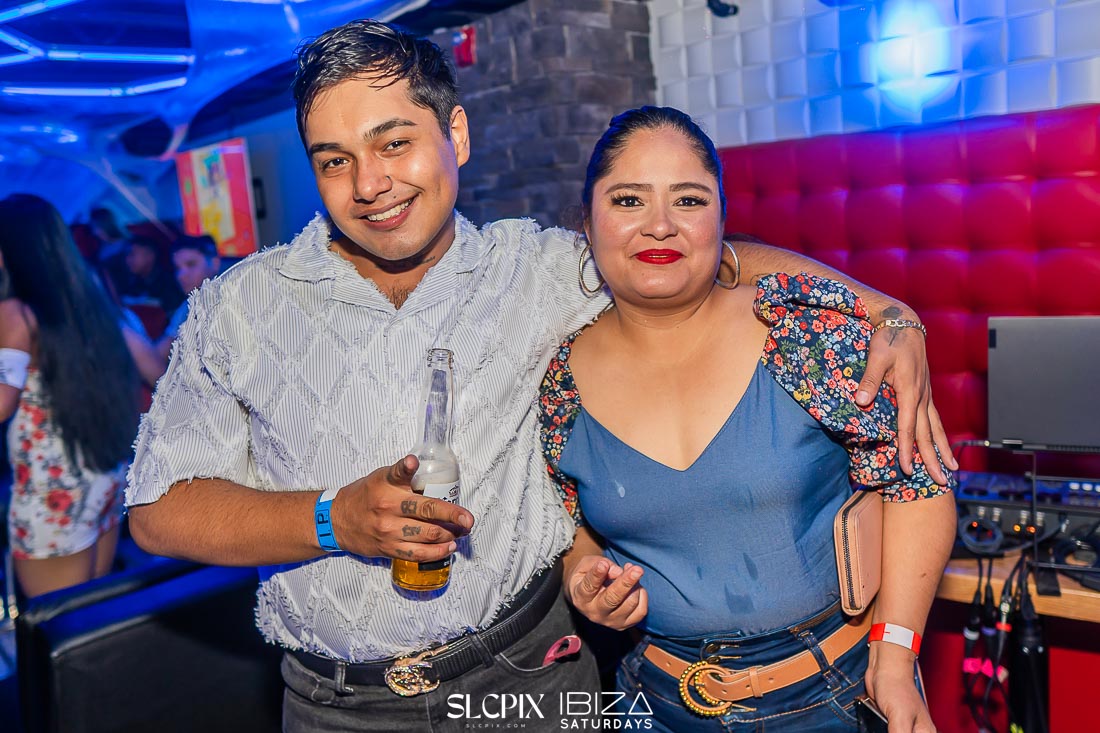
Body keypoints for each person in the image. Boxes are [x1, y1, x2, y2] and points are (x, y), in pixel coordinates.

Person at [125, 21, 954, 732]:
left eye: (394, 143)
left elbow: (690, 259)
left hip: (535, 679)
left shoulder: (536, 269)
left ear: (455, 135)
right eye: (335, 160)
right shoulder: (239, 307)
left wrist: (886, 310)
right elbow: (158, 511)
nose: (369, 184)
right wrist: (333, 518)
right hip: (341, 705)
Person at [539, 107, 957, 732]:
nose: (660, 224)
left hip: (833, 695)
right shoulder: (558, 385)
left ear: (720, 219)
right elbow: (570, 526)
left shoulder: (801, 333)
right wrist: (583, 578)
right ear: (587, 221)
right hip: (648, 701)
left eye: (689, 199)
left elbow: (918, 486)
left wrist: (895, 658)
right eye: (628, 200)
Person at [0, 194, 141, 598]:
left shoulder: (16, 313)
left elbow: (1, 402)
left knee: (59, 623)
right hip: (101, 474)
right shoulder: (88, 304)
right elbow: (148, 362)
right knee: (91, 613)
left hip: (52, 492)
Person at [156, 234, 222, 362]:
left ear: (215, 263)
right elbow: (161, 352)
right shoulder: (186, 307)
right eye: (177, 268)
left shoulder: (233, 297)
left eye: (191, 264)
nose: (181, 275)